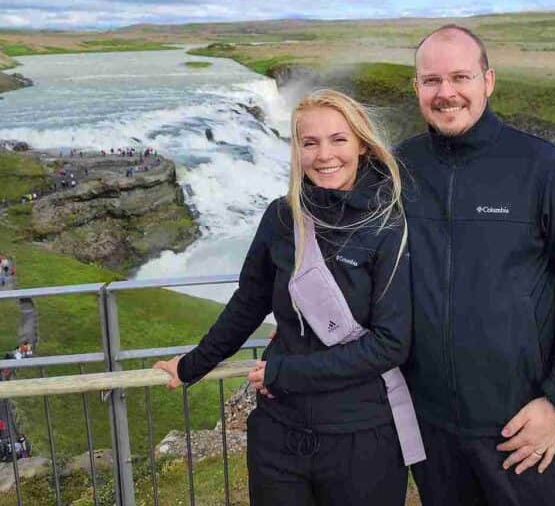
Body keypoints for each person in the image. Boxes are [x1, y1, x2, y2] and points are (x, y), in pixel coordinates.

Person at [155, 89, 418, 506]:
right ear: (296, 149)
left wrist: (286, 374)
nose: (323, 155)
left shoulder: (388, 224)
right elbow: (248, 302)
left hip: (362, 437)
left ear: (362, 145)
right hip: (280, 434)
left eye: (338, 140)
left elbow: (391, 343)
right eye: (309, 143)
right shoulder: (282, 216)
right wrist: (191, 366)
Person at [397, 24, 555, 506]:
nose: (446, 93)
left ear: (488, 81)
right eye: (431, 81)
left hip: (522, 428)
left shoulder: (539, 164)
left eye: (460, 77)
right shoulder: (401, 167)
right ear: (416, 89)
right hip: (433, 431)